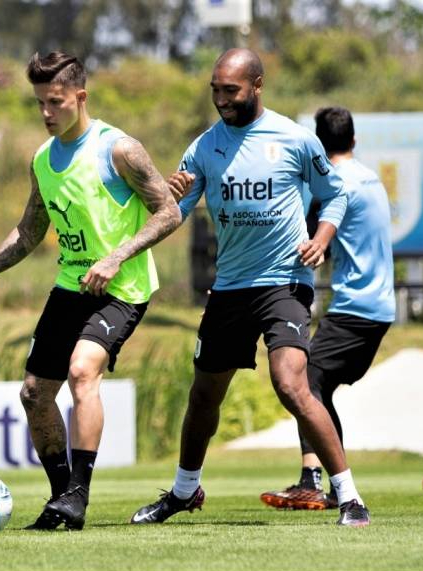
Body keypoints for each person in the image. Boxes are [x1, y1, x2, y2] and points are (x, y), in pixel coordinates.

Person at [130, 48, 371, 528]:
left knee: (291, 384)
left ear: (257, 86)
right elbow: (173, 214)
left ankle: (349, 497)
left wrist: (322, 237)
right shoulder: (203, 147)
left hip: (284, 281)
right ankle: (183, 491)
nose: (221, 99)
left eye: (231, 91)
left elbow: (334, 195)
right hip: (231, 287)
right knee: (204, 395)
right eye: (215, 90)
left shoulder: (296, 140)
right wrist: (167, 195)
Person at [0, 51, 181, 531]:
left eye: (56, 101)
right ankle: (61, 502)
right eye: (39, 104)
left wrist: (115, 257)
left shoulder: (119, 150)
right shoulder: (42, 159)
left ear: (81, 97)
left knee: (81, 370)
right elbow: (28, 233)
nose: (47, 113)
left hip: (123, 287)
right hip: (70, 286)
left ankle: (78, 495)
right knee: (33, 394)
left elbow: (169, 211)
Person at [260, 106, 395, 511]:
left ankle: (313, 481)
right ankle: (330, 482)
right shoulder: (372, 179)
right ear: (353, 140)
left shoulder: (332, 184)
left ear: (318, 144)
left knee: (303, 383)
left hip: (356, 306)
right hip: (378, 306)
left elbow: (299, 231)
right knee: (318, 386)